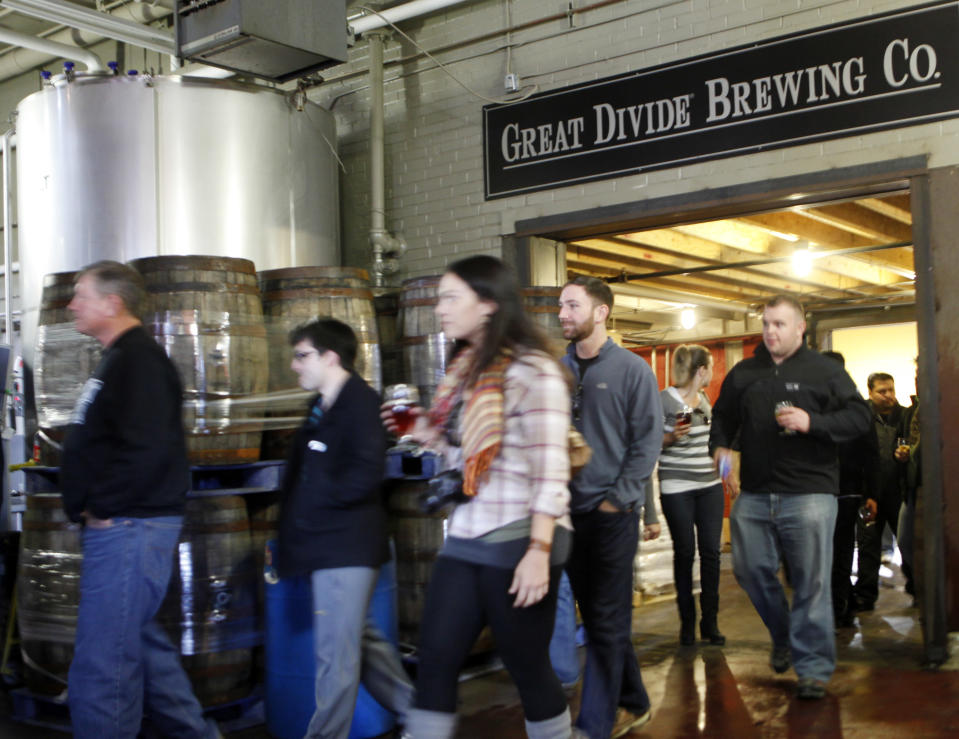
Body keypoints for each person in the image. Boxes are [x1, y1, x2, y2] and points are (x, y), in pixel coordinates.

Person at [390, 256, 574, 739]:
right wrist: (427, 434)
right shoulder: (466, 370)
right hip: (470, 531)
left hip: (520, 535)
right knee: (435, 661)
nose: (440, 309)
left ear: (489, 305)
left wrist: (538, 551)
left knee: (526, 667)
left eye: (452, 297)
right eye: (440, 298)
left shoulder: (534, 371)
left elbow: (550, 468)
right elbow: (469, 457)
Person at [60, 260, 219, 738]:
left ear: (114, 303)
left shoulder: (140, 361)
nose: (72, 304)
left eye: (81, 294)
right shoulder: (119, 358)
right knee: (143, 646)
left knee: (103, 663)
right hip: (126, 526)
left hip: (128, 527)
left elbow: (149, 449)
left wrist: (103, 508)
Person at [709, 295, 870, 700]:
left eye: (779, 324)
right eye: (766, 323)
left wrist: (812, 422)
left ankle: (813, 670)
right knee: (748, 571)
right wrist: (723, 455)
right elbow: (723, 418)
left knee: (811, 583)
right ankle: (784, 635)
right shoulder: (746, 372)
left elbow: (858, 417)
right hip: (756, 495)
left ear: (800, 327)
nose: (770, 331)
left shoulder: (823, 371)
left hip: (810, 493)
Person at [275, 318, 413, 739]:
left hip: (344, 546)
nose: (295, 366)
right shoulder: (320, 407)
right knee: (361, 643)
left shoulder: (362, 406)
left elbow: (362, 477)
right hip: (329, 545)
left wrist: (310, 514)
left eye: (303, 356)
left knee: (335, 655)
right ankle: (423, 716)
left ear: (330, 357)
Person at [557, 276, 662, 739]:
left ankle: (593, 724)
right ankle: (635, 701)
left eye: (573, 306)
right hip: (568, 513)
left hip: (612, 515)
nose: (563, 314)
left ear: (601, 312)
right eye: (561, 306)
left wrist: (620, 500)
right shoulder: (557, 370)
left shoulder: (632, 370)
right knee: (601, 616)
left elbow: (648, 441)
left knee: (608, 617)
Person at [658, 344, 726, 647]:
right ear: (702, 370)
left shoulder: (705, 399)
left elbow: (713, 444)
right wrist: (670, 437)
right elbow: (648, 442)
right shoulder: (664, 400)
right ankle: (686, 624)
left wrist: (727, 473)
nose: (711, 372)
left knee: (711, 553)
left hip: (709, 486)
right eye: (710, 367)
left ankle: (709, 623)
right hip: (677, 488)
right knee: (685, 553)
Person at [821, 351, 879, 628]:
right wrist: (871, 493)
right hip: (846, 489)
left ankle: (835, 607)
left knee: (826, 550)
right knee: (841, 549)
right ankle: (840, 607)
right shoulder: (856, 406)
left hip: (823, 490)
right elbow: (871, 453)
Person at [852, 372, 908, 611]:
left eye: (891, 390)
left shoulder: (905, 416)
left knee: (908, 544)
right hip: (869, 495)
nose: (888, 396)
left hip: (898, 493)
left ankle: (918, 588)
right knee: (868, 546)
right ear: (870, 393)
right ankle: (865, 595)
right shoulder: (861, 418)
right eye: (882, 392)